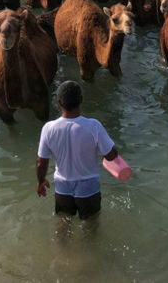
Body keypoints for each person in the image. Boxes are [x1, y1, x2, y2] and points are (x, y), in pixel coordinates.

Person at [36, 81, 119, 220]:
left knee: (63, 224)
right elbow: (111, 156)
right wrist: (112, 151)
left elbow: (41, 162)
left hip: (62, 187)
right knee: (91, 226)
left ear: (59, 102)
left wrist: (40, 181)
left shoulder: (48, 128)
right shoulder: (94, 126)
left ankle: (60, 242)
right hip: (88, 188)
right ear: (81, 100)